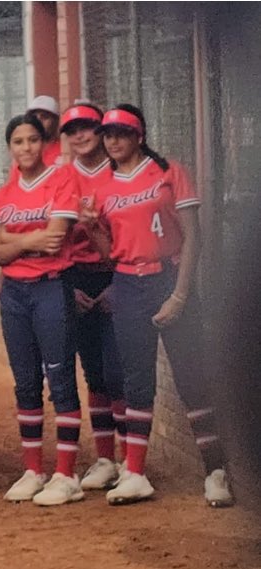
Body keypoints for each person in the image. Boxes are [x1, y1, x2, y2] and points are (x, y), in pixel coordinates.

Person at [83, 105, 233, 507]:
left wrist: (180, 295)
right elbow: (112, 254)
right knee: (136, 381)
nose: (113, 141)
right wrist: (89, 227)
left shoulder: (169, 172)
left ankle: (215, 472)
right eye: (108, 134)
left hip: (170, 277)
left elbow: (193, 236)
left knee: (191, 377)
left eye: (121, 133)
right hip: (129, 283)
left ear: (139, 135)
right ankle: (134, 472)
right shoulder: (105, 186)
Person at [0, 115, 85, 507]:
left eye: (32, 140)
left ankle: (66, 473)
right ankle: (33, 470)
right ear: (9, 147)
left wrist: (13, 239)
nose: (25, 148)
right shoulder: (3, 193)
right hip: (14, 293)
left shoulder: (62, 179)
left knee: (60, 380)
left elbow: (57, 237)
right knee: (25, 382)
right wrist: (32, 237)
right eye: (17, 142)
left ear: (43, 144)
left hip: (50, 288)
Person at [58, 104, 126, 491]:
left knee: (118, 372)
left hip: (118, 275)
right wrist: (70, 286)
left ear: (101, 131)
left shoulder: (117, 170)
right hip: (78, 279)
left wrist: (121, 282)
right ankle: (104, 458)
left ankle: (127, 458)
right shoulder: (63, 177)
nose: (80, 135)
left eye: (87, 128)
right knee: (95, 373)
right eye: (72, 130)